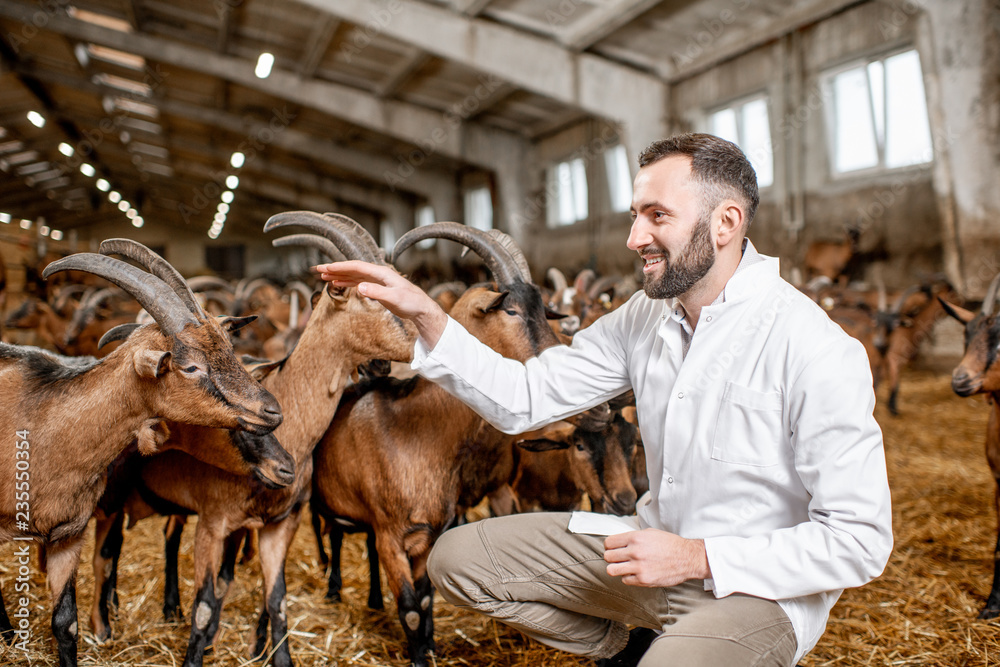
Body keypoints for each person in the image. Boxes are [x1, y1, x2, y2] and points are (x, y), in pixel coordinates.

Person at [314, 133, 893, 667]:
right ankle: (627, 645)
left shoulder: (813, 346)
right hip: (645, 557)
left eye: (656, 216)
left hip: (757, 591)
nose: (634, 238)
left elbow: (861, 542)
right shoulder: (648, 313)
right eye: (635, 215)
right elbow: (527, 395)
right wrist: (425, 316)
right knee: (456, 563)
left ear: (726, 222)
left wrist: (698, 558)